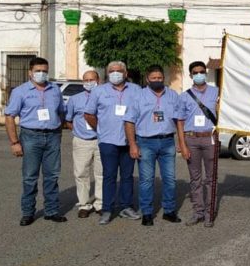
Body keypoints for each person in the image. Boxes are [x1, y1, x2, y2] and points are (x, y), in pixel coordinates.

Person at [4, 57, 66, 226]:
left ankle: (51, 211)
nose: (41, 74)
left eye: (44, 71)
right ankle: (28, 212)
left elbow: (61, 112)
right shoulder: (20, 91)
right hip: (31, 136)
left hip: (52, 136)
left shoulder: (54, 90)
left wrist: (57, 131)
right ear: (30, 72)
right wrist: (14, 142)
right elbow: (10, 117)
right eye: (38, 71)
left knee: (52, 176)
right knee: (30, 177)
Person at [84, 60, 142, 225]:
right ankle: (107, 209)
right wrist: (100, 130)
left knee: (127, 176)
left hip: (129, 141)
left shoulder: (136, 90)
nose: (115, 73)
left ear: (125, 73)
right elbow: (89, 114)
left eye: (118, 70)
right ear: (107, 73)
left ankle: (127, 207)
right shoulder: (99, 91)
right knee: (109, 176)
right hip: (108, 141)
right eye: (111, 71)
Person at [125, 65, 181, 226]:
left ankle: (169, 211)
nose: (157, 80)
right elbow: (129, 122)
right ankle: (147, 213)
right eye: (154, 78)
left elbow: (179, 120)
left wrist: (180, 142)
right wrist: (132, 145)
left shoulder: (172, 95)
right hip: (145, 142)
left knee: (170, 179)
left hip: (167, 142)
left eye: (160, 78)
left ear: (164, 78)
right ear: (148, 78)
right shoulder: (138, 96)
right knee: (146, 180)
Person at [176, 61, 219, 226]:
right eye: (195, 72)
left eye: (202, 71)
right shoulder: (184, 96)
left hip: (210, 138)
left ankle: (209, 213)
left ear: (206, 73)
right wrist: (182, 144)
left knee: (211, 178)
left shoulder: (216, 92)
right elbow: (179, 122)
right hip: (191, 139)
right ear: (190, 75)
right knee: (195, 179)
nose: (199, 74)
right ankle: (198, 212)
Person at [65, 70, 103, 218]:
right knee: (81, 173)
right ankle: (84, 204)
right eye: (85, 80)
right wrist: (77, 132)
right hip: (81, 141)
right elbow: (68, 120)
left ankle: (100, 203)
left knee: (101, 173)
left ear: (98, 80)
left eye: (91, 80)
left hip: (101, 141)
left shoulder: (104, 97)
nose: (89, 83)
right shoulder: (75, 99)